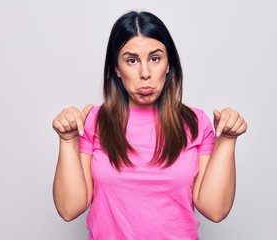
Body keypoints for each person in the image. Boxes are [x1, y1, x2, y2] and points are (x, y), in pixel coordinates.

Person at [52, 10, 247, 240]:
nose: (145, 73)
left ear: (168, 64)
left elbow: (215, 210)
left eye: (155, 59)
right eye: (131, 60)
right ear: (116, 68)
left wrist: (227, 140)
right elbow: (68, 209)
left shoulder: (195, 123)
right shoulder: (94, 122)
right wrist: (67, 140)